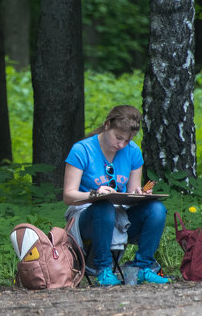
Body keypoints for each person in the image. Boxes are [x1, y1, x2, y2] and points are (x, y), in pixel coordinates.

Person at [62, 104, 169, 287]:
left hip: (120, 215)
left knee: (157, 209)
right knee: (103, 206)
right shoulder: (82, 150)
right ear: (107, 125)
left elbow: (132, 191)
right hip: (87, 217)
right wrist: (95, 193)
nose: (121, 145)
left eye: (127, 141)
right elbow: (68, 195)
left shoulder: (133, 152)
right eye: (118, 137)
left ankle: (143, 267)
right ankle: (103, 269)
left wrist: (140, 194)